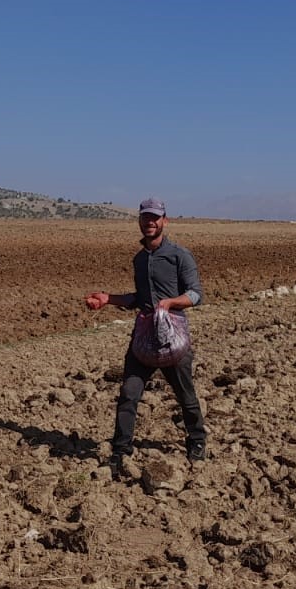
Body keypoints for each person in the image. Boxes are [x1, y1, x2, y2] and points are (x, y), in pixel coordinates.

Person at [84, 197, 207, 471]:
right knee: (129, 392)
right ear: (139, 221)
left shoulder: (180, 256)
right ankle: (120, 450)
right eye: (145, 218)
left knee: (185, 394)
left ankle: (197, 441)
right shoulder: (139, 260)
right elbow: (139, 298)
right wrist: (108, 299)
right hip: (144, 335)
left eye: (155, 218)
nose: (149, 222)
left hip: (172, 335)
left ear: (165, 221)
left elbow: (196, 295)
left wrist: (171, 303)